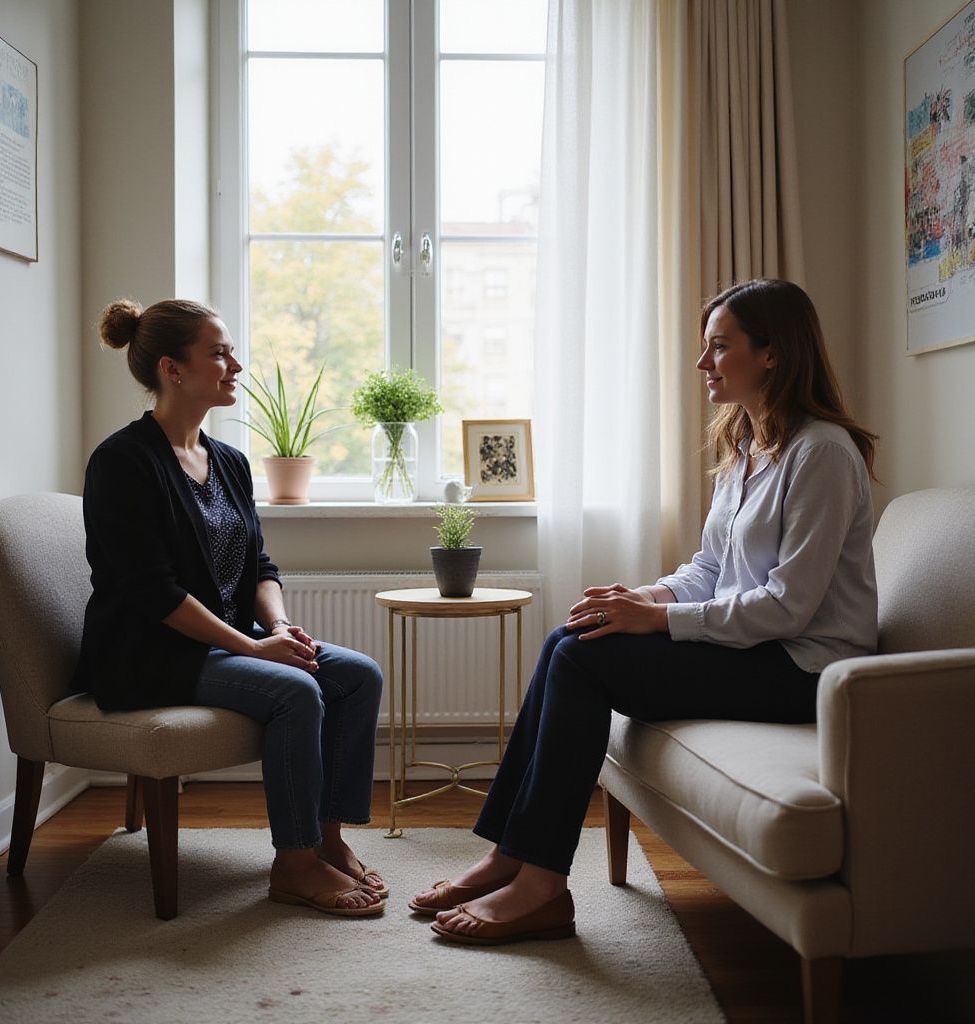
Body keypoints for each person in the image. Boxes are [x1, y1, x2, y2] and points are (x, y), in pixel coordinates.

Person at [411, 278, 878, 945]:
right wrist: (644, 598)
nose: (702, 363)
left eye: (719, 347)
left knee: (580, 660)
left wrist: (657, 622)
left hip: (805, 671)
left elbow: (788, 608)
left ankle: (542, 884)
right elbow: (711, 570)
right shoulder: (747, 447)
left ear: (772, 353)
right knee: (572, 635)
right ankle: (510, 854)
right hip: (758, 649)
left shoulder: (822, 453)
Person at [72, 298, 386, 918]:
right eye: (218, 352)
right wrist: (252, 648)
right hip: (145, 657)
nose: (235, 364)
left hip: (220, 641)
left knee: (356, 675)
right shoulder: (122, 463)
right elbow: (151, 592)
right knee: (295, 691)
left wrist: (278, 626)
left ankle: (327, 839)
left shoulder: (230, 462)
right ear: (173, 369)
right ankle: (293, 863)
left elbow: (260, 568)